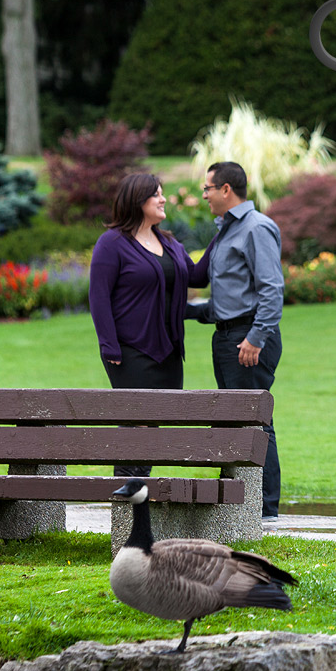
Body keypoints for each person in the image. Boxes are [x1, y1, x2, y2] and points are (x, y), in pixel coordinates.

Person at [190, 161, 285, 522]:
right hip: (228, 336)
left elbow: (272, 289)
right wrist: (184, 311)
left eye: (208, 188)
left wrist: (255, 338)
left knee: (254, 424)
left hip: (247, 340)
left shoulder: (256, 228)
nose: (204, 195)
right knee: (231, 423)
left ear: (226, 189)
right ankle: (237, 506)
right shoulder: (227, 231)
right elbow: (228, 298)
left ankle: (263, 511)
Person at [90, 172, 201, 477]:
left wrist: (225, 234)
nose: (163, 199)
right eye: (156, 195)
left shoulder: (169, 242)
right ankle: (127, 500)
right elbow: (98, 296)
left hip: (168, 351)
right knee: (136, 421)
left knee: (152, 424)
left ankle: (138, 497)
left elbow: (197, 276)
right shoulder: (112, 243)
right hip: (128, 351)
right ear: (137, 201)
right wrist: (109, 344)